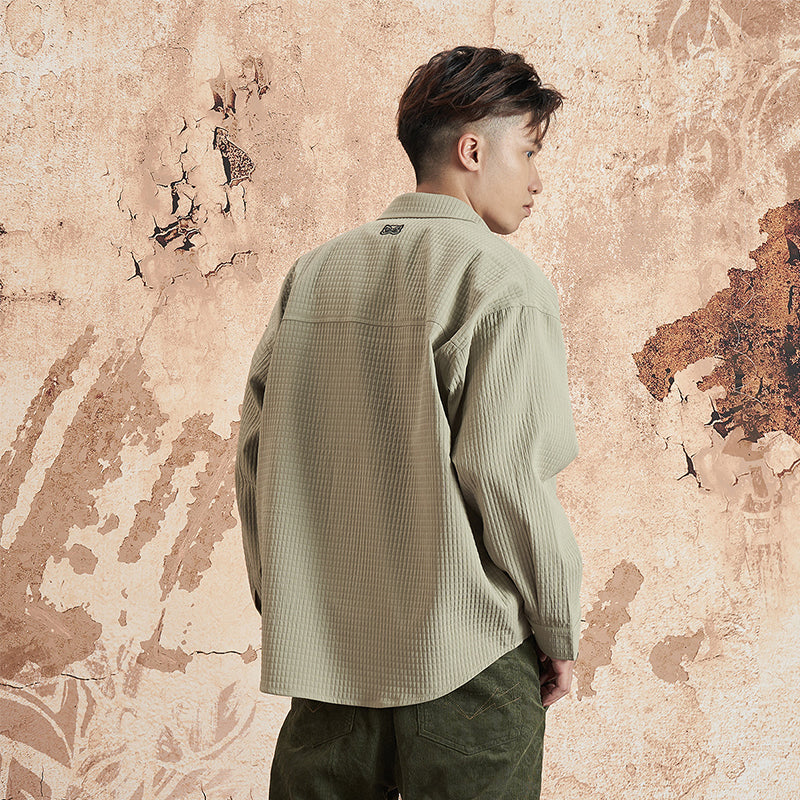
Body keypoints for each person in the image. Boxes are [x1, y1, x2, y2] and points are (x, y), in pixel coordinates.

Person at [234, 45, 582, 800]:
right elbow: (504, 473)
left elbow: (256, 450)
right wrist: (556, 626)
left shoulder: (315, 273)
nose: (537, 180)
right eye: (528, 151)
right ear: (472, 151)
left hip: (329, 664)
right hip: (470, 660)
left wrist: (287, 597)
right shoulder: (500, 280)